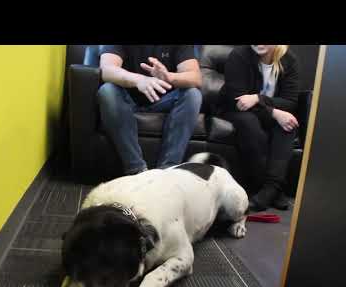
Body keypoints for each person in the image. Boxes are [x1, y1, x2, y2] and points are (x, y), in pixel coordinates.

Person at [98, 45, 203, 175]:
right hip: (126, 100)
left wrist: (169, 77)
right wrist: (139, 80)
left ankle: (167, 170)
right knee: (107, 90)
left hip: (163, 101)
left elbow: (196, 78)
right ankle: (137, 170)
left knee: (193, 94)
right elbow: (107, 69)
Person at [218, 45, 300, 211]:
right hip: (235, 110)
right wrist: (274, 113)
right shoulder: (239, 55)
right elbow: (238, 100)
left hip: (261, 109)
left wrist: (257, 98)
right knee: (249, 123)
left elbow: (290, 102)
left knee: (288, 125)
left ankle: (270, 189)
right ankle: (274, 190)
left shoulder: (289, 60)